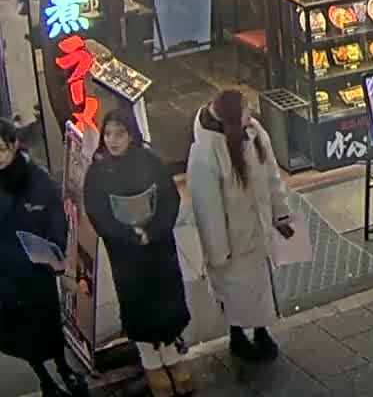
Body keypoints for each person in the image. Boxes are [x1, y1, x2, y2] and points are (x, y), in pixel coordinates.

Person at [85, 110, 193, 396]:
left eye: (119, 133)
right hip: (125, 254)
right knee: (138, 304)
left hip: (158, 247)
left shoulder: (151, 161)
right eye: (108, 134)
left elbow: (170, 199)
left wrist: (152, 231)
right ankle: (150, 361)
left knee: (166, 299)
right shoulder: (98, 171)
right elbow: (97, 213)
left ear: (131, 135)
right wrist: (127, 235)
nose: (113, 140)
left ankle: (171, 354)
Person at [187, 90, 295, 362]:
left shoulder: (254, 133)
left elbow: (271, 175)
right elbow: (207, 206)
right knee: (233, 291)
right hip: (232, 240)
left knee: (259, 288)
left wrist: (281, 214)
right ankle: (236, 335)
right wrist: (217, 250)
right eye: (246, 110)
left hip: (257, 231)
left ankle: (261, 331)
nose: (251, 114)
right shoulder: (206, 150)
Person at [0, 120, 83, 397]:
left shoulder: (36, 178)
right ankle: (45, 379)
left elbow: (56, 216)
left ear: (14, 145)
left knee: (48, 325)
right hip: (7, 277)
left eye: (1, 149)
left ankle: (64, 368)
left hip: (37, 270)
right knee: (21, 334)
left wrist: (54, 250)